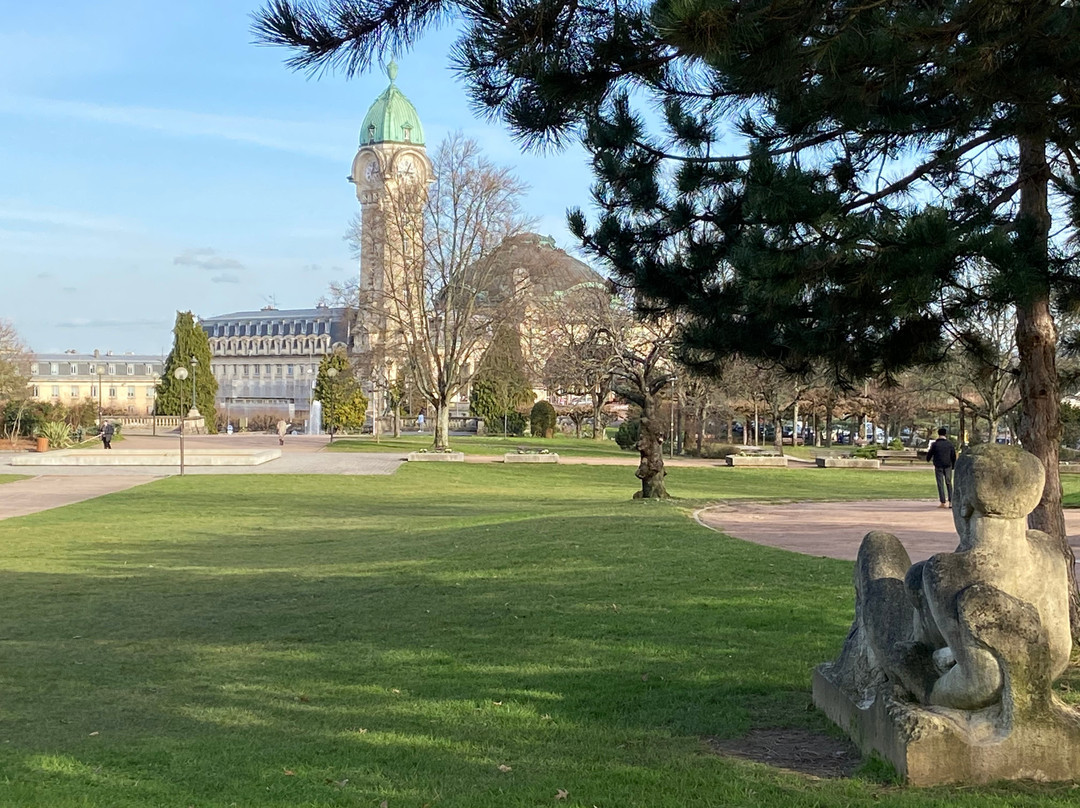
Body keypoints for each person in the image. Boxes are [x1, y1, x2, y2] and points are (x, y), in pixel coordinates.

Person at [927, 427, 957, 508]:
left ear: (938, 434)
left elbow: (930, 454)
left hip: (938, 465)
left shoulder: (935, 444)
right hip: (948, 466)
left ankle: (942, 502)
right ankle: (951, 501)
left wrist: (928, 459)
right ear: (945, 434)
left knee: (940, 483)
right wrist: (953, 465)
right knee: (949, 483)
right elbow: (953, 456)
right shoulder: (949, 444)